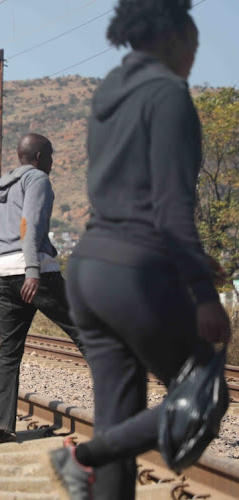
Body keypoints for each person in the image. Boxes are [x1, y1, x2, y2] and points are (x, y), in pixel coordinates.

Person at [45, 2, 232, 499]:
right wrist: (203, 295)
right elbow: (171, 208)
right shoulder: (168, 95)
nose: (195, 55)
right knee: (204, 396)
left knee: (117, 425)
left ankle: (92, 458)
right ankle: (80, 456)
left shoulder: (108, 93)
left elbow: (130, 195)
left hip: (90, 272)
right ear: (173, 37)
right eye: (193, 43)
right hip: (137, 273)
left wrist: (189, 258)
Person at [0, 133, 87, 447]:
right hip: (33, 272)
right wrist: (32, 270)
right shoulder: (38, 179)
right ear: (39, 156)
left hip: (2, 273)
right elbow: (30, 226)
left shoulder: (2, 185)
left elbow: (0, 234)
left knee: (9, 352)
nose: (53, 162)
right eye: (51, 155)